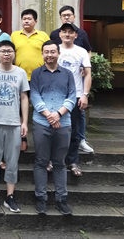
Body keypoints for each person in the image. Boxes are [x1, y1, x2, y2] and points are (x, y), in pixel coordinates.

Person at [0, 41, 29, 213]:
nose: (6, 54)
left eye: (10, 51)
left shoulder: (20, 72)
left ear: (14, 53)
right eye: (3, 51)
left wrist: (24, 122)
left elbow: (24, 97)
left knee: (12, 160)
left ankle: (10, 196)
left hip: (14, 122)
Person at [30, 41, 76, 216]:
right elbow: (34, 95)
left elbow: (72, 96)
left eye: (52, 52)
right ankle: (40, 198)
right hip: (41, 123)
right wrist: (49, 115)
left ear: (58, 53)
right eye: (46, 52)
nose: (49, 55)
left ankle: (61, 199)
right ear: (42, 54)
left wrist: (58, 114)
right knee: (41, 161)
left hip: (63, 123)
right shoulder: (36, 73)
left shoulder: (67, 74)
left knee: (59, 162)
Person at [49, 6, 94, 153]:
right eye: (64, 15)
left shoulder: (81, 34)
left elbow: (88, 51)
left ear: (74, 16)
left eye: (69, 15)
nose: (66, 17)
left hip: (77, 84)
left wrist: (84, 64)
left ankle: (81, 140)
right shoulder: (54, 35)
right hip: (58, 88)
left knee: (78, 115)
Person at [58, 23, 92, 177]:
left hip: (76, 94)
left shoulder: (81, 51)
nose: (67, 34)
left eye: (70, 32)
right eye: (64, 31)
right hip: (57, 95)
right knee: (54, 129)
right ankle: (54, 159)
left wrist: (85, 94)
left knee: (75, 130)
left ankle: (72, 160)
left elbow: (88, 74)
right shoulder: (55, 49)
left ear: (76, 35)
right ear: (60, 34)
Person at [11, 9, 50, 80]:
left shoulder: (43, 35)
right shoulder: (14, 35)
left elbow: (49, 53)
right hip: (19, 75)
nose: (26, 21)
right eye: (24, 19)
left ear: (35, 21)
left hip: (40, 75)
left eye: (29, 19)